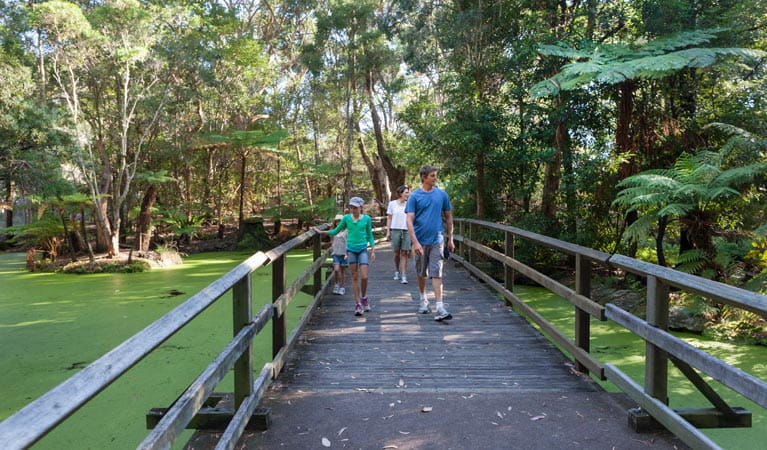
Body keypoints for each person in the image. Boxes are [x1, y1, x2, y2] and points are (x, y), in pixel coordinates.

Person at [406, 166, 454, 322]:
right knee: (421, 273)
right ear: (424, 177)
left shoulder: (442, 195)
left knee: (436, 273)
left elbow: (448, 217)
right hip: (420, 241)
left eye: (435, 175)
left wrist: (450, 238)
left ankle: (440, 307)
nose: (435, 178)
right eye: (432, 176)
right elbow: (409, 220)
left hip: (437, 240)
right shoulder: (414, 196)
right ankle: (423, 299)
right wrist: (415, 242)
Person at [315, 197, 376, 316]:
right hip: (351, 250)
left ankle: (364, 297)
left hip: (363, 249)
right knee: (354, 277)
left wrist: (373, 250)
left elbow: (370, 235)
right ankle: (358, 304)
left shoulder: (367, 219)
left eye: (355, 207)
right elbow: (335, 231)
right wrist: (320, 232)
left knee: (364, 276)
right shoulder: (347, 218)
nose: (353, 209)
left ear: (361, 208)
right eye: (351, 207)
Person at [386, 185, 412, 284]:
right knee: (396, 253)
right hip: (395, 230)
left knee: (405, 253)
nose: (408, 194)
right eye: (406, 192)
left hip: (406, 230)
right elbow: (389, 218)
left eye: (408, 192)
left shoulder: (409, 204)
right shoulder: (392, 204)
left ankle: (404, 275)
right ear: (400, 193)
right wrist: (388, 231)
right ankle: (397, 270)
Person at [330, 215, 348, 295]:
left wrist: (347, 253)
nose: (338, 222)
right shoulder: (333, 230)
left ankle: (343, 287)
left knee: (342, 272)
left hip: (344, 253)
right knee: (336, 269)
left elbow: (349, 241)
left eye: (340, 221)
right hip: (336, 253)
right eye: (337, 221)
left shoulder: (347, 230)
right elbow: (332, 241)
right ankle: (336, 284)